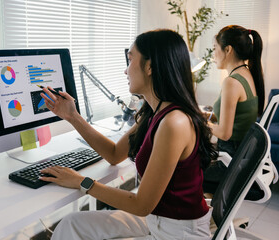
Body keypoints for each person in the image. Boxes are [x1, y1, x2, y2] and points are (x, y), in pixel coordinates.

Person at [40, 29, 217, 240]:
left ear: (150, 67)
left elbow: (141, 204)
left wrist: (82, 182)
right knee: (71, 224)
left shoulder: (174, 122)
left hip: (178, 233)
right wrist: (72, 117)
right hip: (156, 219)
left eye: (130, 60)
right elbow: (114, 154)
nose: (126, 71)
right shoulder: (155, 112)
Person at [203, 25, 265, 197]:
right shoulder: (246, 74)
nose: (213, 54)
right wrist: (209, 118)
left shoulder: (232, 82)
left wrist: (203, 123)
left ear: (228, 49)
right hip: (240, 156)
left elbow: (224, 133)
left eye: (215, 48)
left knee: (180, 169)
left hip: (229, 161)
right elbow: (237, 116)